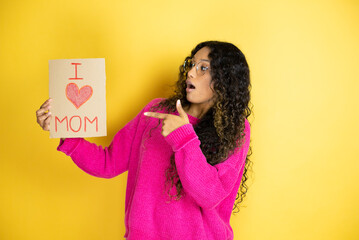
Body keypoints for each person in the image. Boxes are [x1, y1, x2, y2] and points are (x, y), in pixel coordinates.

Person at [36, 41, 253, 240]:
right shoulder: (155, 112)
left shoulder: (234, 129)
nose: (191, 73)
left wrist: (184, 138)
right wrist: (65, 130)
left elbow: (210, 195)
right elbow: (108, 163)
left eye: (203, 68)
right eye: (191, 64)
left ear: (225, 79)